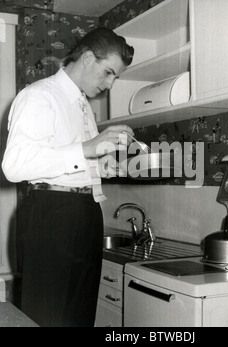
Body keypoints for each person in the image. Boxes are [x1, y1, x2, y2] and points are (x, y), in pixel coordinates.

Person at [1, 27, 135, 327]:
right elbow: (15, 165)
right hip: (53, 215)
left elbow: (69, 160)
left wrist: (98, 169)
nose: (111, 84)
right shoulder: (39, 96)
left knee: (79, 315)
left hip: (83, 212)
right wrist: (86, 148)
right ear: (88, 58)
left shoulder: (81, 104)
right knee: (48, 317)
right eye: (108, 72)